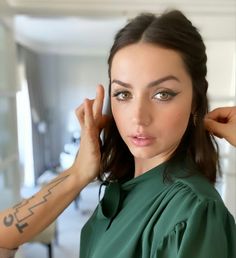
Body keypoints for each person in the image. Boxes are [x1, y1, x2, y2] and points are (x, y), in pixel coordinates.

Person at [0, 9, 236, 258]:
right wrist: (78, 173)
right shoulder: (123, 188)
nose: (138, 117)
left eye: (162, 94)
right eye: (123, 94)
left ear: (195, 101)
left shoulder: (195, 213)